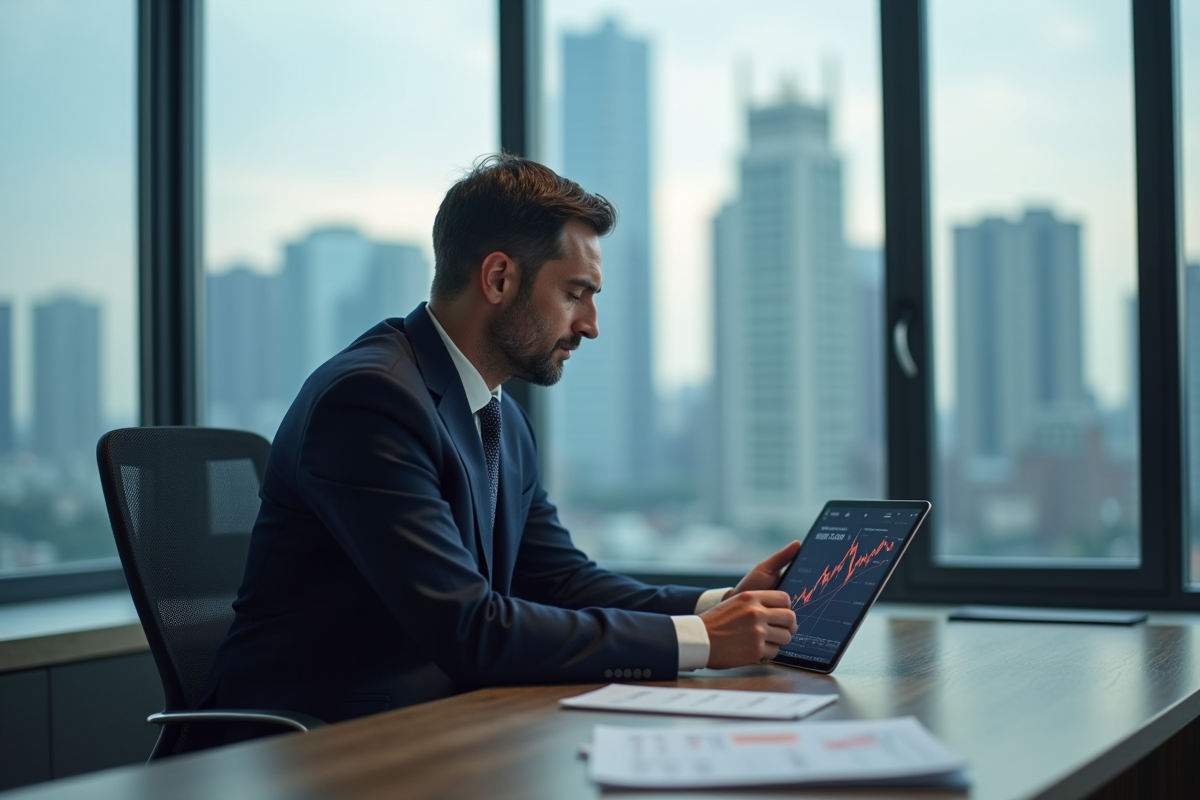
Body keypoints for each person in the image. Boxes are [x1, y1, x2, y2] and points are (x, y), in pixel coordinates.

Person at [199, 154, 799, 742]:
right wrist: (700, 641)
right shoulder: (368, 402)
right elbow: (470, 627)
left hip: (439, 727)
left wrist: (719, 605)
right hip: (307, 748)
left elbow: (560, 581)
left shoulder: (500, 417)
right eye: (575, 293)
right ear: (498, 278)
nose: (590, 323)